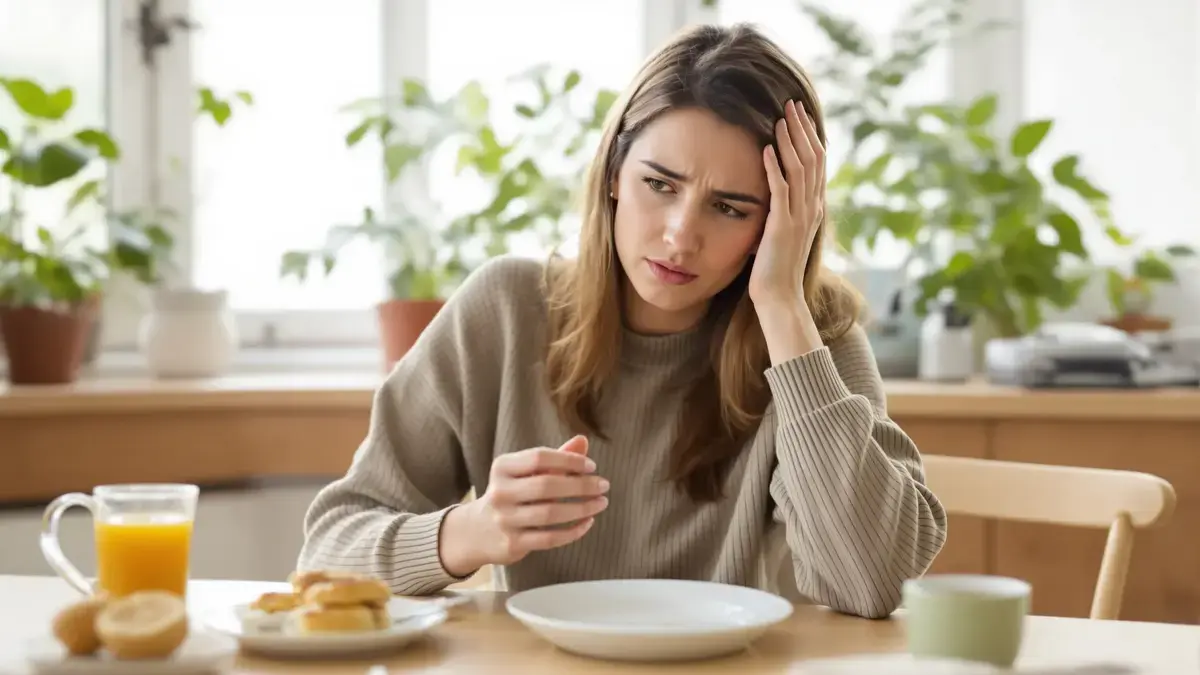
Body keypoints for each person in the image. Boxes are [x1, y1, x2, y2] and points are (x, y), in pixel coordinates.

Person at [297, 22, 947, 620]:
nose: (679, 235)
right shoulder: (506, 309)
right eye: (659, 184)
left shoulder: (814, 337)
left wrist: (780, 301)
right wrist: (471, 531)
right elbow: (326, 554)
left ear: (779, 220)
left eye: (730, 207)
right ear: (613, 172)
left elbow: (872, 585)